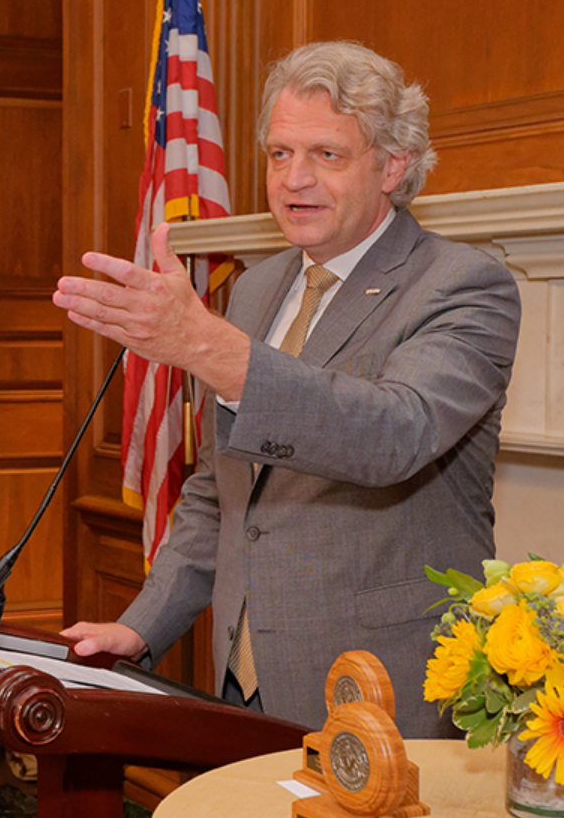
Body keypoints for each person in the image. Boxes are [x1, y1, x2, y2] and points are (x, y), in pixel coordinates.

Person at [52, 41, 521, 737]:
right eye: (279, 153)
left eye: (326, 154)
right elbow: (222, 489)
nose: (294, 179)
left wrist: (206, 346)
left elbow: (394, 434)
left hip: (384, 692)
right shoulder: (257, 288)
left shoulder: (462, 285)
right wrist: (142, 626)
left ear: (393, 165)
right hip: (243, 682)